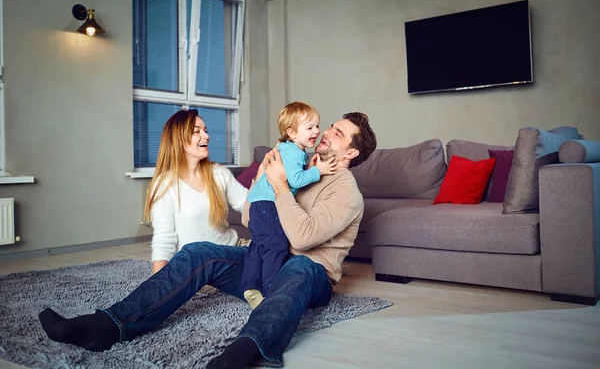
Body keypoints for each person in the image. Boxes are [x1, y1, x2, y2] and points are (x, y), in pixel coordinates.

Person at [38, 112, 377, 369]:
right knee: (199, 252)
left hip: (311, 277)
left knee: (301, 265)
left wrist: (276, 186)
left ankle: (246, 352)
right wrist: (263, 185)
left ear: (351, 153)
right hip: (267, 262)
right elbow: (248, 221)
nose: (326, 133)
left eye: (338, 133)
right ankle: (108, 325)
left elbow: (303, 240)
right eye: (329, 127)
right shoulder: (300, 167)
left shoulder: (347, 192)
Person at [242, 101, 337, 309]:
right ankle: (269, 293)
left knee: (258, 245)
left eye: (317, 126)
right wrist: (317, 172)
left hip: (257, 203)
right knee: (276, 245)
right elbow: (294, 181)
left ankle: (249, 286)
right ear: (292, 133)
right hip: (269, 203)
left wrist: (307, 166)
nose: (316, 132)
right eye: (309, 128)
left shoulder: (286, 148)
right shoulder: (294, 151)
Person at [145, 108, 249, 274]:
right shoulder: (164, 185)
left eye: (205, 131)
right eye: (197, 131)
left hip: (234, 251)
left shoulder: (219, 173)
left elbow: (247, 204)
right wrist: (158, 285)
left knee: (288, 263)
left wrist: (262, 181)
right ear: (179, 139)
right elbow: (164, 240)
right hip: (198, 266)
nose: (206, 136)